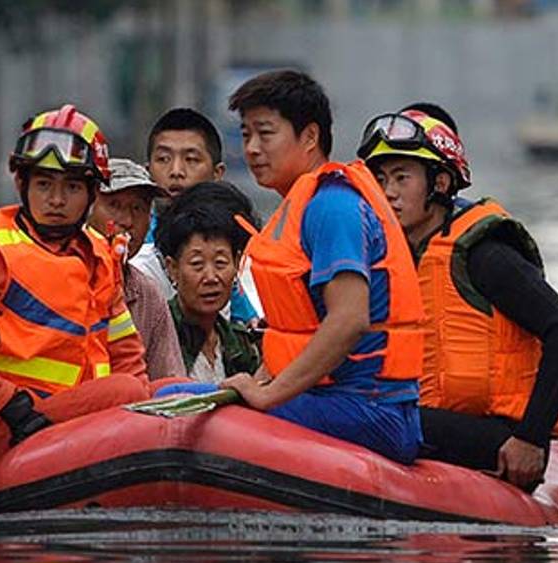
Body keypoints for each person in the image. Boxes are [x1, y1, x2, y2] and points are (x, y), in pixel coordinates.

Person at [357, 102, 558, 490]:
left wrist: (531, 438)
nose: (387, 192)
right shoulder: (391, 256)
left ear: (439, 184)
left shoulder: (484, 255)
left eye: (401, 178)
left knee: (371, 419)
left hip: (498, 432)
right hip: (429, 417)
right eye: (379, 179)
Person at [0, 105, 150, 490]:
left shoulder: (99, 254)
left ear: (93, 193)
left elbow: (126, 354)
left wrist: (145, 418)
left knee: (164, 388)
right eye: (44, 184)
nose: (56, 200)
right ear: (22, 185)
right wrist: (10, 403)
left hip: (63, 422)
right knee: (126, 392)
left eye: (72, 187)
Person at [220, 69, 425, 464]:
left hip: (370, 409)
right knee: (178, 392)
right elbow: (298, 330)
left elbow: (349, 319)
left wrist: (267, 396)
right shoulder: (301, 205)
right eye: (246, 135)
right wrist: (259, 382)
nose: (252, 149)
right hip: (334, 399)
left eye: (265, 134)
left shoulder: (331, 206)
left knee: (180, 399)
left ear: (310, 137)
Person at [138, 107, 260, 325]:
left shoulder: (235, 245)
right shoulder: (135, 249)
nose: (176, 171)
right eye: (163, 159)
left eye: (191, 159)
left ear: (217, 174)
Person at [88, 157, 185, 380]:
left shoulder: (148, 295)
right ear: (88, 207)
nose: (127, 221)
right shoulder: (61, 274)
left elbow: (168, 380)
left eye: (138, 209)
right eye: (114, 205)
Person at [154, 181, 262, 381]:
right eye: (197, 264)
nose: (211, 278)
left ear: (237, 263)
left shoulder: (240, 343)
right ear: (172, 268)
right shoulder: (157, 335)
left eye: (220, 263)